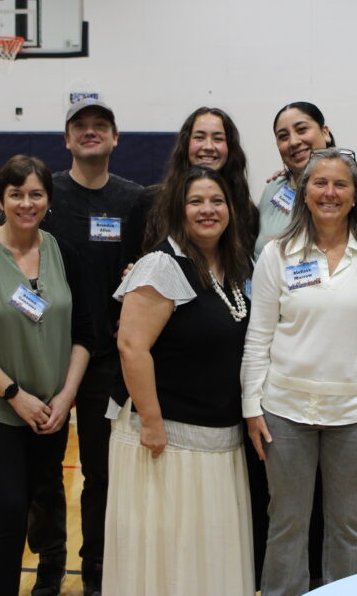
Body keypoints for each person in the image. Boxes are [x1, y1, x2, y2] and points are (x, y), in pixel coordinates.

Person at [242, 148, 357, 595]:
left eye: (340, 185)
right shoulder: (277, 254)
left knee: (348, 525)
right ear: (304, 192)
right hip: (284, 411)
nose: (329, 193)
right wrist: (251, 406)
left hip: (355, 412)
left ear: (356, 196)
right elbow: (259, 335)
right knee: (287, 523)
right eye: (320, 183)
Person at [0, 155, 93, 596]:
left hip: (52, 410)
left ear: (48, 199)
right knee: (10, 508)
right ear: (0, 199)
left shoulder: (64, 253)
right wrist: (14, 394)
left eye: (35, 194)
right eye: (16, 194)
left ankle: (49, 579)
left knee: (43, 499)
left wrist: (66, 396)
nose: (26, 203)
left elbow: (85, 333)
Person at [105, 166, 255, 596]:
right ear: (178, 210)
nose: (207, 210)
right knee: (169, 559)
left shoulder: (232, 264)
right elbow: (132, 347)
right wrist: (151, 423)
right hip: (166, 442)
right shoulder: (160, 265)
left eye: (217, 201)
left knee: (207, 557)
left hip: (219, 439)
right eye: (196, 202)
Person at [26, 97, 142, 596]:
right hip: (44, 356)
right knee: (42, 472)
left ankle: (96, 570)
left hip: (106, 360)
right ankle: (49, 567)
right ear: (66, 139)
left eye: (101, 126)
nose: (90, 133)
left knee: (101, 473)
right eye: (81, 126)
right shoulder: (43, 197)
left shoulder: (136, 200)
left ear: (116, 138)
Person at [256, 101, 357, 259]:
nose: (293, 141)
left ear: (325, 133)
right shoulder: (272, 190)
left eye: (302, 129)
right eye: (283, 137)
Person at [120, 106, 258, 266]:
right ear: (186, 144)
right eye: (199, 137)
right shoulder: (151, 200)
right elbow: (128, 264)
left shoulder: (246, 211)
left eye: (218, 139)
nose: (208, 146)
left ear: (230, 147)